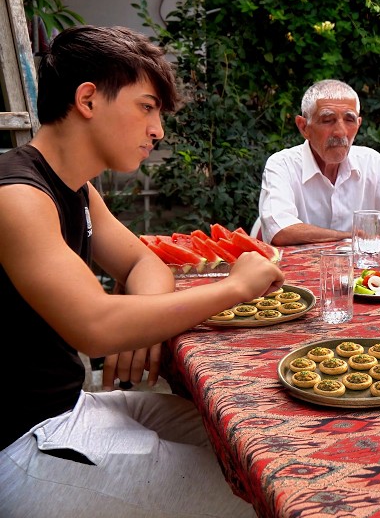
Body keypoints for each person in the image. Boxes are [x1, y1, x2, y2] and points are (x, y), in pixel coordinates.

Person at [0, 25, 284, 517]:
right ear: (88, 99)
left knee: (253, 442)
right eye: (147, 107)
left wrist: (142, 317)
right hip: (25, 442)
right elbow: (95, 327)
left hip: (72, 408)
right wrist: (235, 288)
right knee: (262, 498)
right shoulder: (18, 197)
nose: (158, 130)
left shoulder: (76, 189)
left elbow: (140, 261)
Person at [257, 79, 380, 246]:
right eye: (327, 120)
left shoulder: (372, 163)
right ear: (304, 127)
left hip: (364, 276)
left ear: (358, 124)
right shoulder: (282, 165)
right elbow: (280, 230)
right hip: (295, 277)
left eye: (349, 120)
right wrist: (348, 238)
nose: (340, 132)